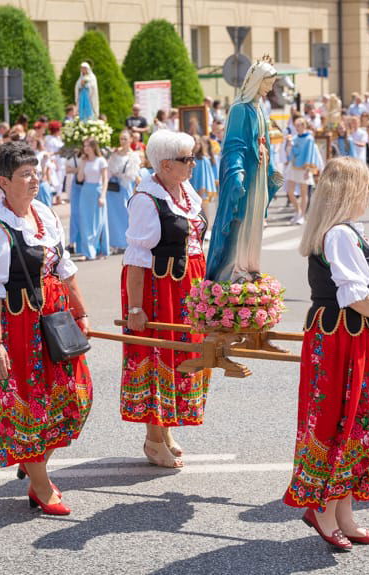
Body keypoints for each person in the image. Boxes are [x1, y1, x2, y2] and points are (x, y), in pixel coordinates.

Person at [283, 157, 369, 551]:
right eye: (366, 184)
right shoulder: (338, 235)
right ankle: (323, 510)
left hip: (353, 338)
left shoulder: (349, 231)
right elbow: (352, 294)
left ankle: (344, 514)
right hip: (341, 339)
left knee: (358, 423)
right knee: (343, 420)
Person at [0, 141, 93, 516]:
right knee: (30, 404)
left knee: (77, 396)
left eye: (35, 172)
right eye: (25, 175)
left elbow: (66, 268)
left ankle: (32, 462)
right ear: (3, 181)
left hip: (54, 319)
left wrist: (81, 312)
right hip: (20, 326)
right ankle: (40, 485)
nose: (34, 180)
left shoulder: (43, 212)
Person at [121, 130, 210, 469]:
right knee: (161, 357)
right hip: (160, 290)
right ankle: (153, 439)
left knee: (181, 358)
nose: (194, 164)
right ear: (166, 164)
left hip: (188, 285)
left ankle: (166, 428)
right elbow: (137, 258)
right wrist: (135, 307)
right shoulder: (147, 199)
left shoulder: (183, 189)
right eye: (188, 159)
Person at [205, 55, 283, 282]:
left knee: (254, 222)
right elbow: (234, 146)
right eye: (267, 83)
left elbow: (264, 141)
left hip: (258, 173)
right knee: (241, 220)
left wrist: (271, 167)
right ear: (257, 81)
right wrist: (236, 172)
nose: (270, 88)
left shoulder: (258, 109)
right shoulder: (240, 109)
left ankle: (250, 265)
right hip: (247, 174)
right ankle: (234, 269)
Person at [69, 137, 109, 260]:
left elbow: (105, 179)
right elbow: (80, 179)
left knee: (98, 223)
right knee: (85, 222)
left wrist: (102, 196)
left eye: (87, 146)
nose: (85, 148)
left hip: (97, 191)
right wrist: (82, 164)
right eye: (84, 146)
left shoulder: (101, 160)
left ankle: (99, 250)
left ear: (93, 147)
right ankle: (88, 252)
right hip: (85, 192)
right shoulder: (84, 161)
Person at [107, 131, 141, 254]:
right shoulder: (114, 154)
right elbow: (109, 171)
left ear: (131, 140)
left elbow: (135, 174)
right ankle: (115, 243)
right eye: (121, 139)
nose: (123, 141)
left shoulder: (134, 156)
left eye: (125, 139)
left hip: (126, 187)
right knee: (113, 216)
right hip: (113, 189)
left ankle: (125, 242)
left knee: (126, 215)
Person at [284, 118, 319, 225]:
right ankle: (298, 211)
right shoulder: (294, 138)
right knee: (290, 191)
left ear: (304, 126)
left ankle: (302, 215)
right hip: (294, 166)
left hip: (304, 167)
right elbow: (290, 153)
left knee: (304, 193)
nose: (297, 127)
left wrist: (308, 168)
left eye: (299, 125)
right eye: (296, 125)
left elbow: (310, 153)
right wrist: (289, 145)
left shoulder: (309, 139)